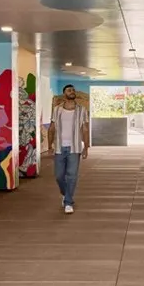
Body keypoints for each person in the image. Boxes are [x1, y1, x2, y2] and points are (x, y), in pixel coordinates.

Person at [47, 84, 89, 214]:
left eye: (73, 90)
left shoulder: (82, 110)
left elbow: (85, 129)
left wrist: (86, 147)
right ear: (64, 93)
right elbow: (52, 128)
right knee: (59, 176)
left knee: (72, 175)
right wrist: (49, 146)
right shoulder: (57, 110)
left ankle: (68, 202)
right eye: (69, 90)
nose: (72, 92)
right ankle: (66, 194)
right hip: (59, 147)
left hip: (74, 147)